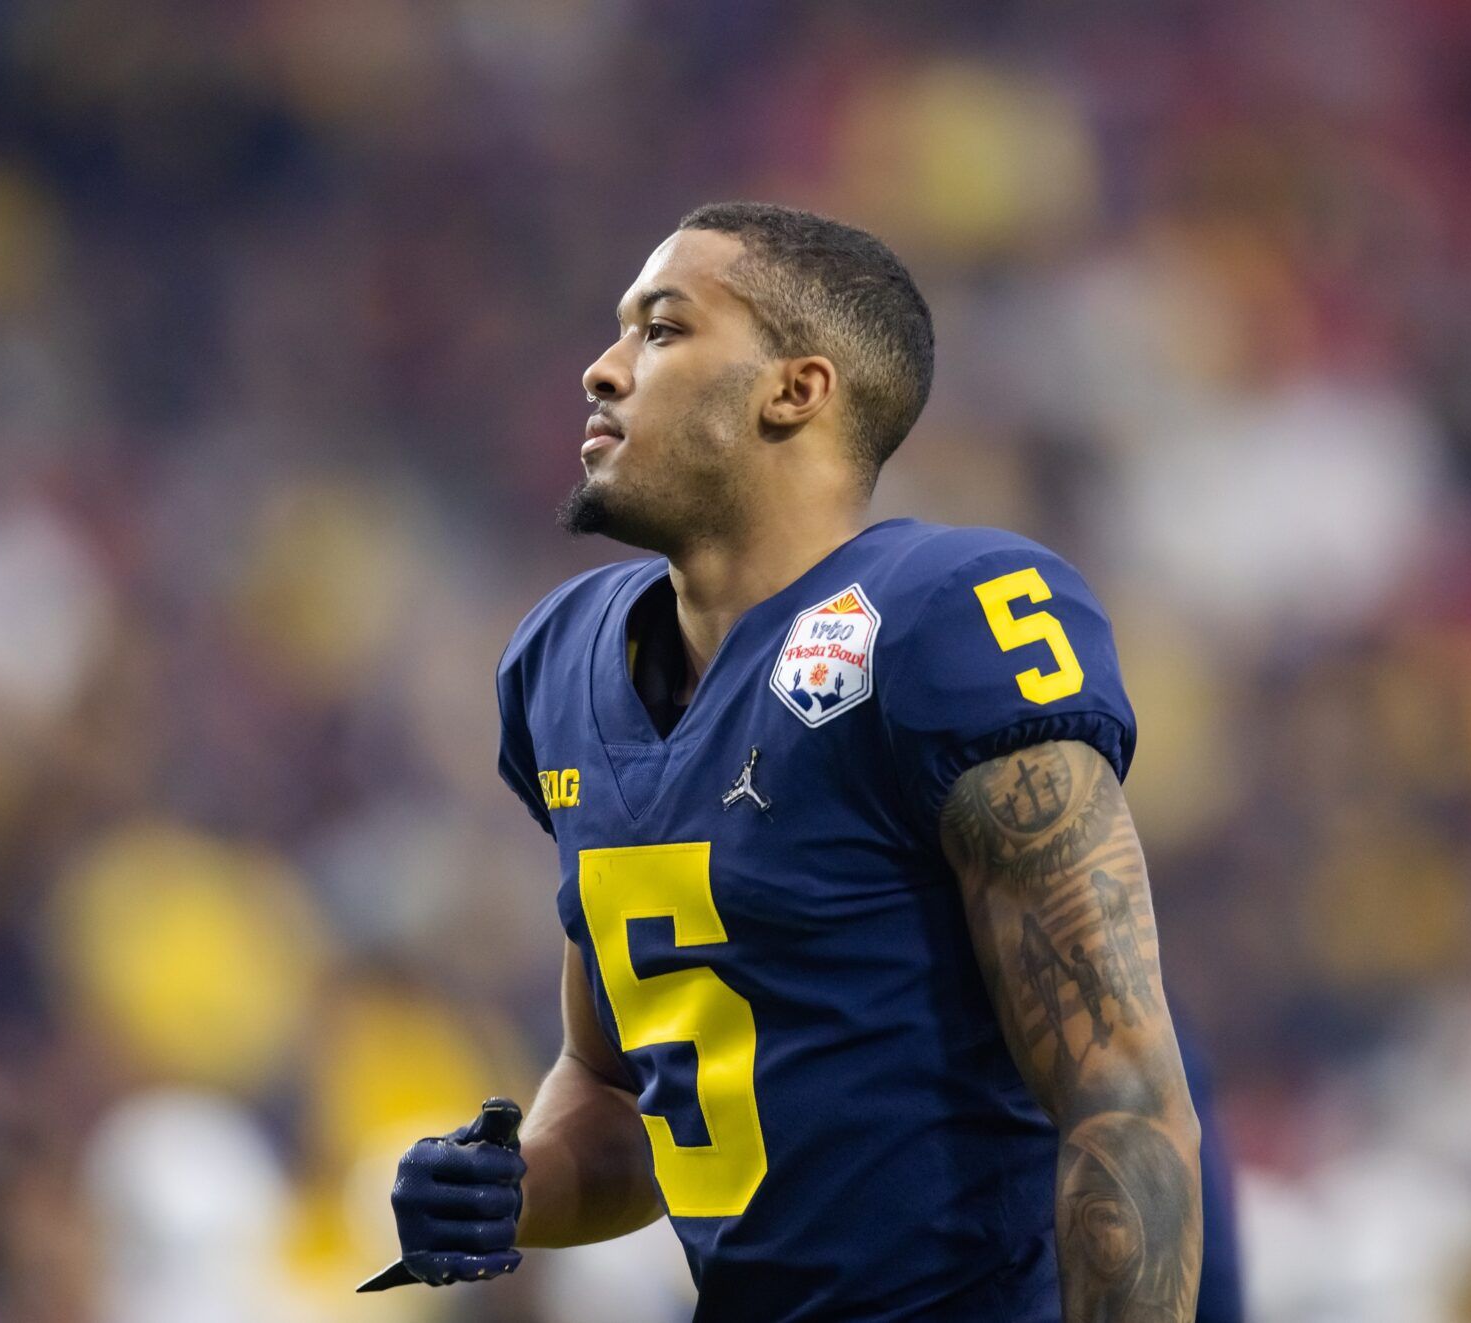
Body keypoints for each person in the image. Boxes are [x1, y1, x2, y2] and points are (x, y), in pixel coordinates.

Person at [379, 203, 1243, 1320]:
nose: (601, 370)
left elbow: (1119, 1096)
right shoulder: (563, 665)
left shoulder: (942, 620)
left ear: (797, 389)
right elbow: (618, 1088)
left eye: (662, 329)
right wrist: (507, 1188)